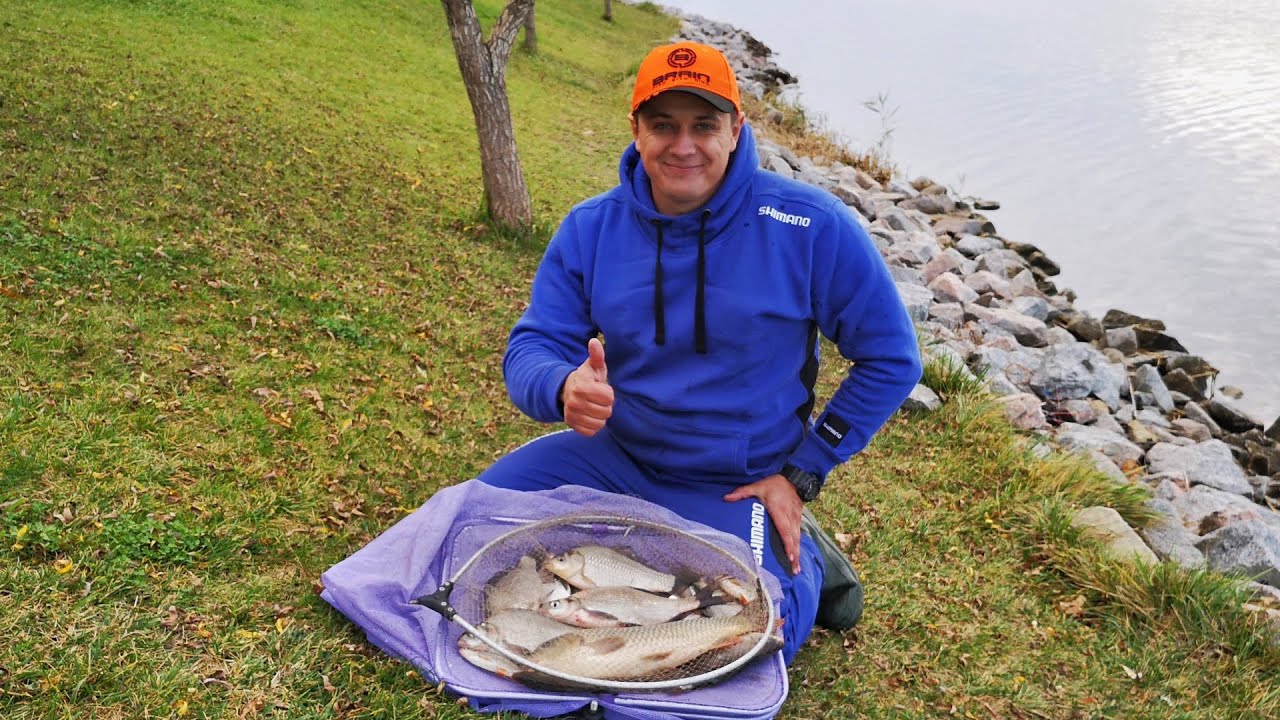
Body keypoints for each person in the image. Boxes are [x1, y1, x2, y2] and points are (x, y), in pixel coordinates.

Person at [478, 41, 922, 664]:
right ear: (636, 130)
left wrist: (804, 470)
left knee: (755, 640)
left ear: (736, 129)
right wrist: (560, 385)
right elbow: (534, 343)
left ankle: (806, 564)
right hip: (614, 457)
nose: (683, 145)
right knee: (470, 522)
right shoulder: (591, 227)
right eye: (663, 125)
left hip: (736, 484)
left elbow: (892, 358)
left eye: (704, 126)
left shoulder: (811, 226)